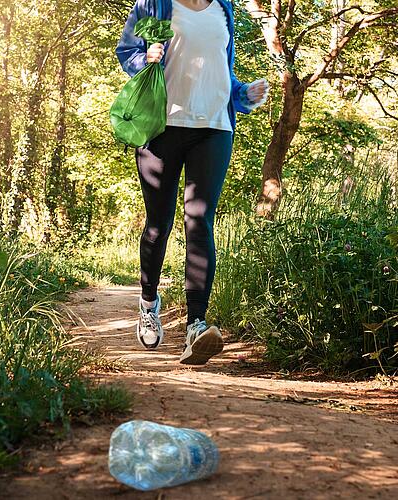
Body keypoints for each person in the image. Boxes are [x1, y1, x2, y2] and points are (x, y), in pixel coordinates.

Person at [116, 0, 268, 364]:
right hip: (162, 125)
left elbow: (219, 71)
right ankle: (149, 303)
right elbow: (128, 52)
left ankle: (196, 325)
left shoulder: (224, 9)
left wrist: (243, 93)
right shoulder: (154, 4)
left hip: (214, 127)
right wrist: (145, 58)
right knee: (158, 225)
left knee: (199, 221)